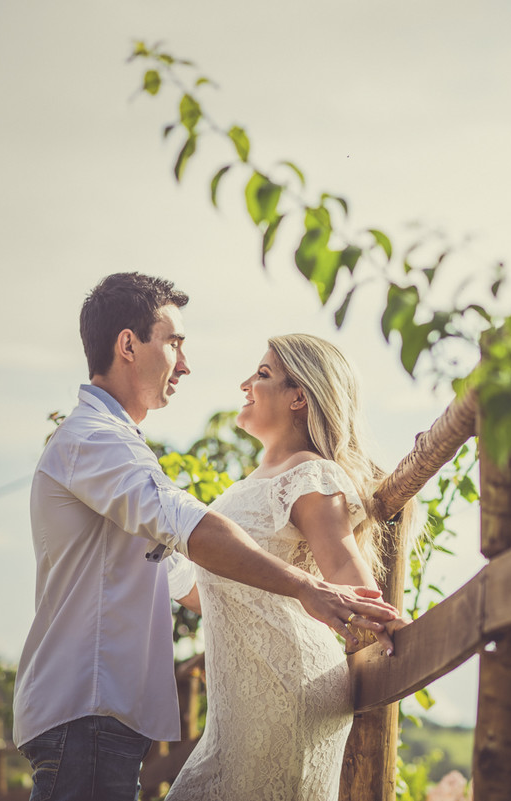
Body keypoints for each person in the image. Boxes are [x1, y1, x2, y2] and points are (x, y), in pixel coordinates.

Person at [12, 273, 405, 801]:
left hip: (130, 710)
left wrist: (373, 618)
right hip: (90, 707)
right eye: (174, 342)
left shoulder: (116, 447)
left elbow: (186, 577)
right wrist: (304, 587)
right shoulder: (95, 440)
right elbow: (189, 528)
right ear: (128, 345)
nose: (186, 364)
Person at [164, 333, 418, 801]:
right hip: (242, 705)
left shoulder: (307, 473)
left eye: (263, 374)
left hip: (285, 687)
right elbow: (214, 592)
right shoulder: (252, 484)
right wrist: (150, 557)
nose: (246, 384)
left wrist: (392, 624)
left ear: (298, 397)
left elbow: (341, 562)